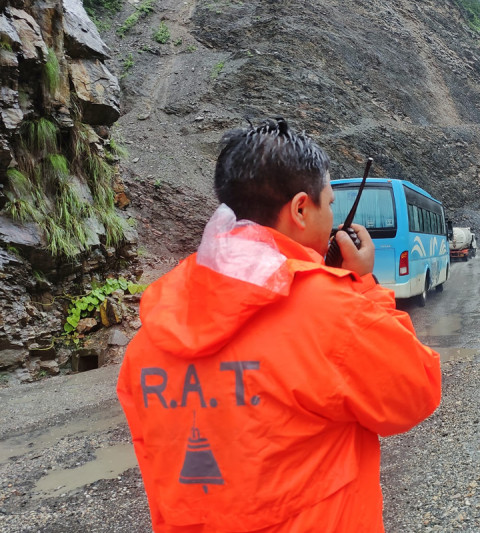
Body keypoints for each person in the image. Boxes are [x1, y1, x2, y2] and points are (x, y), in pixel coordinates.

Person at [117, 118, 442, 532]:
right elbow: (415, 391)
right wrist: (364, 284)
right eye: (329, 205)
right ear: (301, 209)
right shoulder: (333, 311)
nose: (332, 221)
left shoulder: (152, 332)